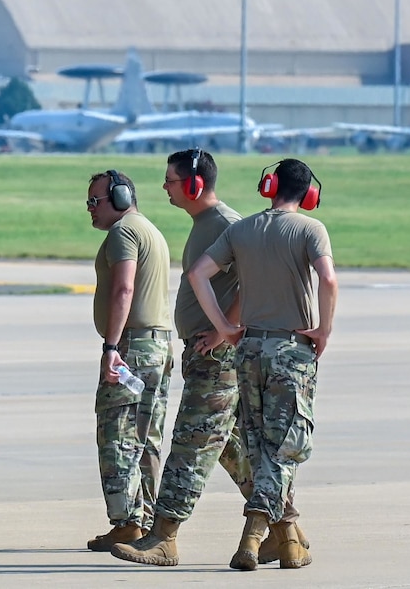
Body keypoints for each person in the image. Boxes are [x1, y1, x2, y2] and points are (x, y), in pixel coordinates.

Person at [186, 157, 337, 571]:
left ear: (269, 186)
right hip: (292, 351)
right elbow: (328, 280)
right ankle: (253, 535)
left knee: (261, 449)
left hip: (248, 349)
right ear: (309, 195)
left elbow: (198, 274)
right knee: (285, 447)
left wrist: (225, 326)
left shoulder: (241, 230)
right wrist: (323, 330)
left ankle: (286, 541)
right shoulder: (311, 229)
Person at [112, 149, 252, 566]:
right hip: (202, 355)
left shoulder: (227, 225)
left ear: (194, 185)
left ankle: (164, 537)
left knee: (191, 444)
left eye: (171, 181)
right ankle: (284, 527)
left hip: (218, 360)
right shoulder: (204, 225)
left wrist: (226, 329)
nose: (165, 187)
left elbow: (255, 283)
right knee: (232, 448)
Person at [84, 169, 174, 553]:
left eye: (95, 201)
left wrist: (111, 346)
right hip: (159, 346)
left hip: (133, 346)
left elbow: (124, 288)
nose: (89, 209)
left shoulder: (123, 232)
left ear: (120, 198)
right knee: (147, 438)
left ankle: (126, 522)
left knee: (117, 435)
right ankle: (148, 519)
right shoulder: (150, 229)